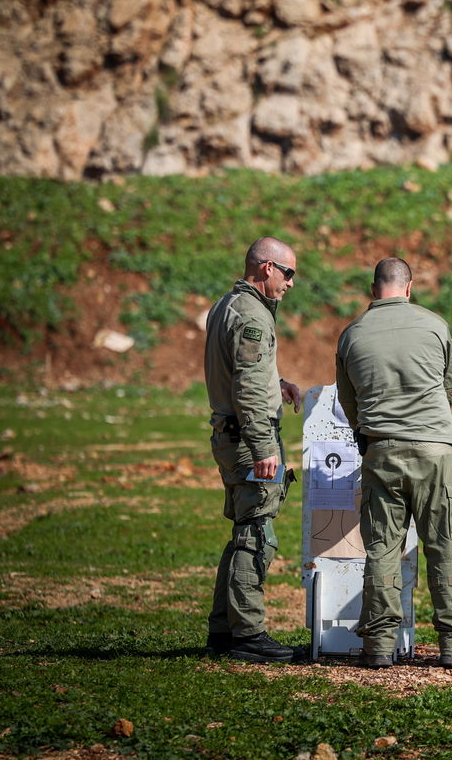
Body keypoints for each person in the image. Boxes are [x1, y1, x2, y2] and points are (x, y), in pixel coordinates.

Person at [335, 257, 452, 670]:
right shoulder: (435, 325)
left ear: (373, 288)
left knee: (382, 547)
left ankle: (378, 646)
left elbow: (349, 400)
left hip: (381, 450)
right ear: (409, 287)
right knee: (446, 546)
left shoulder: (352, 334)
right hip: (435, 451)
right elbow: (448, 387)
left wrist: (371, 432)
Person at [203, 237, 303, 663]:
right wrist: (264, 446)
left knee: (244, 529)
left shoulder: (228, 305)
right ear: (267, 268)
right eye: (288, 273)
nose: (291, 283)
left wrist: (275, 386)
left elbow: (242, 373)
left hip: (233, 432)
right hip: (248, 439)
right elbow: (244, 384)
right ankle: (248, 635)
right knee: (257, 532)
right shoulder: (251, 315)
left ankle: (224, 631)